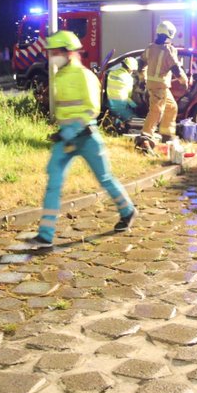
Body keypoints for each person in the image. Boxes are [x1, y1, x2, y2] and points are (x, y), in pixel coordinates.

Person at [32, 30, 136, 246]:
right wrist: (62, 131)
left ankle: (127, 211)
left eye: (54, 52)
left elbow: (91, 109)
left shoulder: (84, 76)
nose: (51, 56)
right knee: (54, 180)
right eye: (50, 52)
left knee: (105, 178)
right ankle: (45, 234)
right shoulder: (59, 75)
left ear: (68, 52)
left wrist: (69, 131)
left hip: (86, 137)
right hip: (65, 138)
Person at [143, 20, 190, 142]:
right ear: (169, 34)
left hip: (155, 85)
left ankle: (166, 134)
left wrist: (141, 76)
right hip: (160, 86)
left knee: (171, 107)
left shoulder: (150, 47)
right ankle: (146, 136)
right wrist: (184, 82)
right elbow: (176, 69)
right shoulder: (168, 50)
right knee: (156, 110)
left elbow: (141, 62)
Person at [105, 56, 139, 126]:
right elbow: (128, 96)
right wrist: (135, 106)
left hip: (109, 104)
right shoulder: (129, 78)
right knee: (135, 120)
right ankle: (118, 125)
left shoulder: (111, 73)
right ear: (130, 69)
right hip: (121, 107)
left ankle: (115, 122)